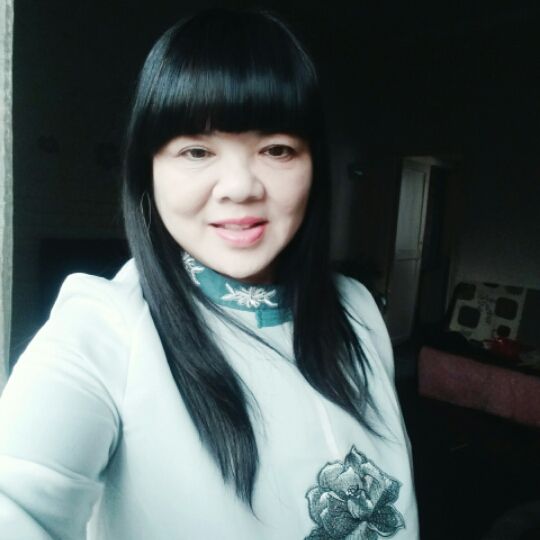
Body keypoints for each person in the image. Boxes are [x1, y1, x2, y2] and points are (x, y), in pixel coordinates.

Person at [0, 8, 418, 540]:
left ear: (315, 165)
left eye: (277, 149)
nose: (240, 187)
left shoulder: (358, 310)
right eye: (196, 150)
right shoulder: (104, 330)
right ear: (148, 170)